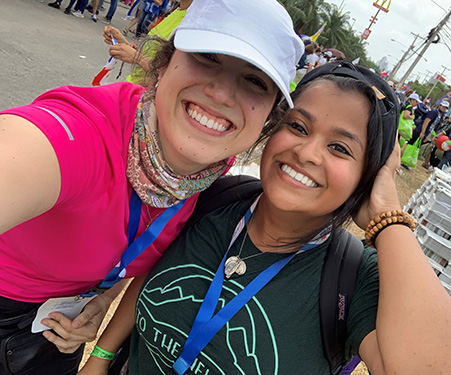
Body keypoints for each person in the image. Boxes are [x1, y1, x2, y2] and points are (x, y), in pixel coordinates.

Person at [79, 62, 451, 375]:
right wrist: (99, 357)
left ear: (366, 175)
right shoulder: (217, 196)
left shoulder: (357, 279)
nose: (306, 152)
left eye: (339, 148)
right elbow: (157, 275)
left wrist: (388, 221)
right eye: (298, 127)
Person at [0, 0, 304, 373]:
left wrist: (102, 297)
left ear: (268, 121)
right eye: (207, 56)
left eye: (255, 81)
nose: (222, 94)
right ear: (164, 64)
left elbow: (142, 243)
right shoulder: (84, 136)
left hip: (53, 334)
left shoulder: (205, 179)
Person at [103, 0, 192, 85]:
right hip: (132, 87)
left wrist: (137, 58)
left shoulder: (191, 24)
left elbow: (172, 82)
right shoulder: (177, 11)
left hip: (145, 96)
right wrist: (122, 43)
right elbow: (151, 55)